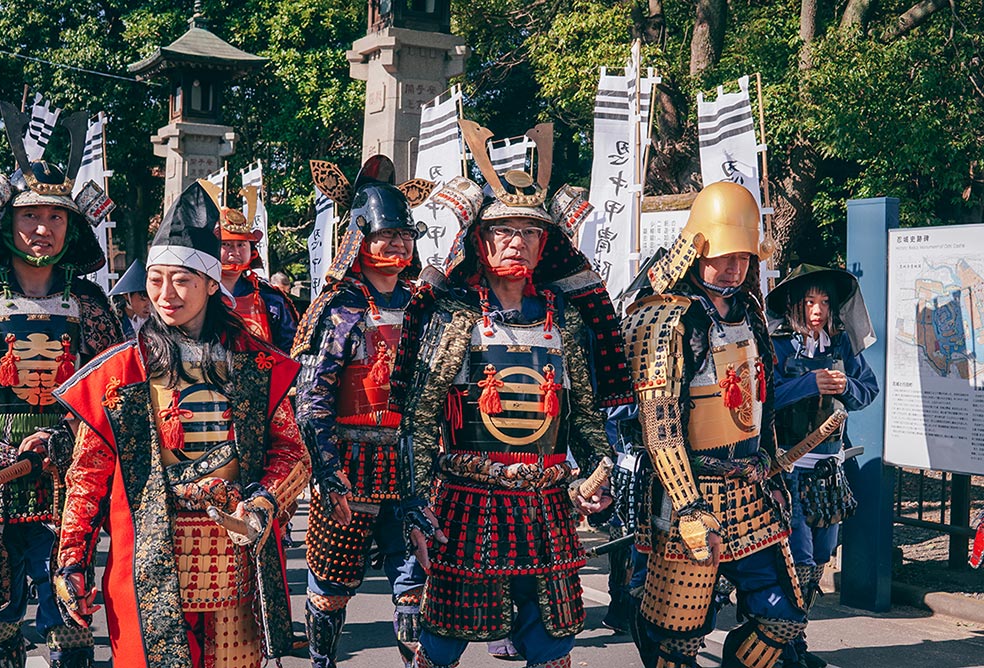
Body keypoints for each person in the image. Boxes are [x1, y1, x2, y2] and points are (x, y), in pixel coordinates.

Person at [392, 120, 633, 668]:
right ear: (481, 240)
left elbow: (585, 418)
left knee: (554, 640)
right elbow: (422, 418)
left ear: (544, 243)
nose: (516, 242)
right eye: (504, 231)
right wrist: (417, 507)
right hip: (465, 501)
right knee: (443, 638)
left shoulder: (564, 321)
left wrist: (600, 472)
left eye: (529, 232)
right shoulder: (456, 318)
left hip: (547, 504)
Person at [51, 180, 310, 668]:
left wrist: (262, 501)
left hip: (235, 553)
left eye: (183, 280)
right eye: (155, 280)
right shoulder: (121, 371)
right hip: (150, 552)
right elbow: (86, 475)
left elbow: (292, 451)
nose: (165, 295)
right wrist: (72, 560)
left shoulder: (255, 363)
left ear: (212, 283)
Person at [622, 181, 807, 668]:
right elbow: (659, 425)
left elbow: (758, 403)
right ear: (697, 246)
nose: (734, 266)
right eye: (724, 254)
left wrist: (773, 469)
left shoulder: (751, 313)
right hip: (691, 488)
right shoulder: (664, 318)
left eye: (744, 255)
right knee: (677, 639)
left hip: (750, 488)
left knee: (784, 617)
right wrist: (686, 505)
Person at [0, 102, 122, 668]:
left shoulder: (90, 305)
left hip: (69, 483)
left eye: (57, 217)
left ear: (73, 227)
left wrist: (67, 445)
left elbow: (116, 392)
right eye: (29, 216)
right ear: (8, 224)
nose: (42, 229)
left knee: (69, 619)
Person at [292, 155, 434, 668]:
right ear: (359, 238)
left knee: (414, 584)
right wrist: (328, 474)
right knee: (330, 586)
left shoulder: (426, 305)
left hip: (413, 463)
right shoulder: (341, 307)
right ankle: (323, 663)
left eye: (405, 234)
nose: (397, 243)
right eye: (385, 233)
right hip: (349, 463)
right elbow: (311, 397)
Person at [766, 264, 878, 668]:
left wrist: (847, 385)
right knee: (798, 558)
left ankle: (797, 638)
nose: (818, 310)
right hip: (787, 465)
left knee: (823, 555)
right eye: (810, 301)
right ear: (795, 304)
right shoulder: (774, 344)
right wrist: (808, 383)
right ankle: (783, 646)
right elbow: (762, 399)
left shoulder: (841, 345)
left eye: (825, 301)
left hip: (829, 467)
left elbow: (869, 390)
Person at [218, 201, 299, 353]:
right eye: (226, 244)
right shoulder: (196, 294)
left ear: (252, 251)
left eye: (241, 245)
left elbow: (290, 351)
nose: (234, 252)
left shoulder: (270, 299)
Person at [108, 260, 151, 338]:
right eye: (143, 298)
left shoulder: (155, 322)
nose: (148, 305)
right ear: (127, 296)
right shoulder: (113, 322)